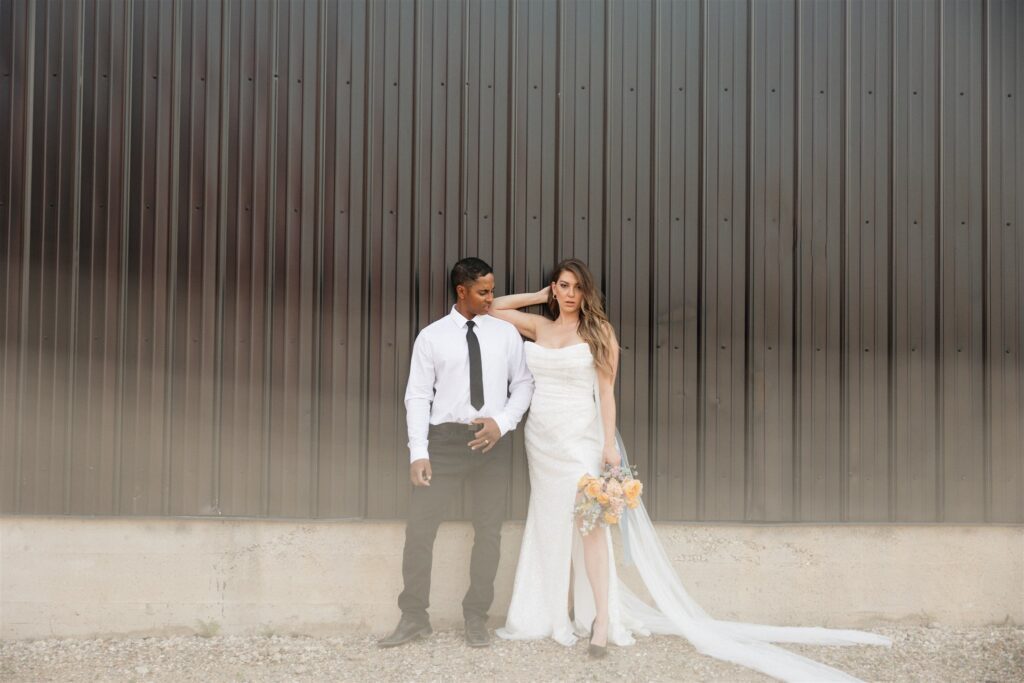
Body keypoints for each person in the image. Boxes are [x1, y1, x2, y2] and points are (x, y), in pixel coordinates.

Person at [490, 258, 891, 680]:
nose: (569, 294)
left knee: (590, 526)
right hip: (542, 440)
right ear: (555, 288)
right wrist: (539, 296)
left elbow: (606, 394)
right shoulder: (540, 327)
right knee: (551, 521)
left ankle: (602, 620)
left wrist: (608, 445)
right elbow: (494, 307)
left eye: (576, 287)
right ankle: (558, 611)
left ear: (588, 292)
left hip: (579, 438)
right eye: (562, 286)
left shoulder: (599, 332)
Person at [378, 257, 534, 649]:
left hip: (492, 445)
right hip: (444, 444)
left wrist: (503, 422)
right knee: (419, 531)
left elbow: (525, 385)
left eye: (492, 289)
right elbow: (416, 396)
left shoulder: (505, 334)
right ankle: (413, 617)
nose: (490, 298)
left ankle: (476, 617)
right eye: (483, 291)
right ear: (460, 291)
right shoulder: (431, 337)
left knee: (489, 533)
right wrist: (419, 452)